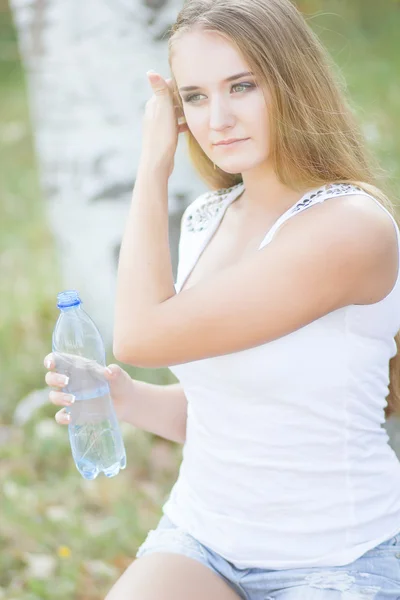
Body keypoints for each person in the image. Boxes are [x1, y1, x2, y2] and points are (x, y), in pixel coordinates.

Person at [44, 0, 400, 598]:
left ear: (291, 83)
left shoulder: (350, 227)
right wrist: (127, 398)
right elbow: (228, 411)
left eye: (242, 86)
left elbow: (139, 337)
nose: (219, 119)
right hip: (203, 540)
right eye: (197, 96)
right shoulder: (206, 217)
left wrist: (152, 168)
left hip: (339, 558)